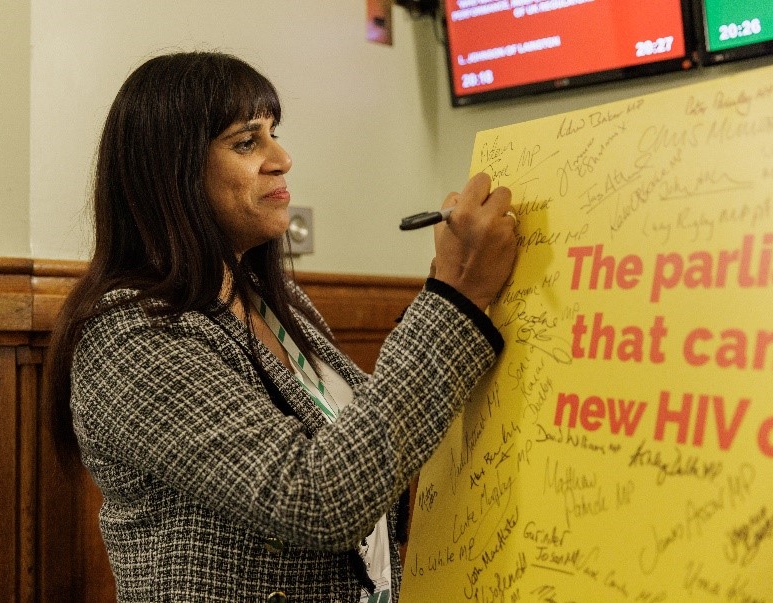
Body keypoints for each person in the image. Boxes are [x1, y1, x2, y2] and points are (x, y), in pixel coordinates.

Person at [44, 51, 517, 603]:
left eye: (274, 134)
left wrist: (447, 280)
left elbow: (367, 444)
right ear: (171, 173)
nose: (282, 158)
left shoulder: (271, 300)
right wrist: (455, 299)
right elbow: (316, 498)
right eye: (247, 142)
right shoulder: (130, 337)